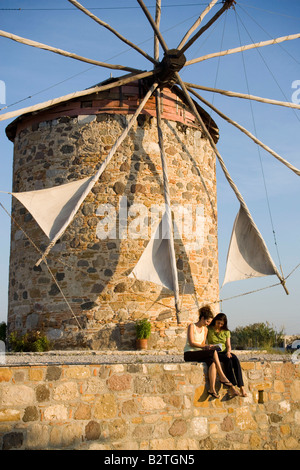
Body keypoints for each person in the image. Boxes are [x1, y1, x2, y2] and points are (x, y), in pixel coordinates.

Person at [184, 305, 239, 399]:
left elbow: (202, 344)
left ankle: (212, 389)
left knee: (212, 363)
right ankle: (222, 376)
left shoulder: (205, 329)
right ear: (202, 318)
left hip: (199, 353)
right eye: (207, 321)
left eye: (209, 322)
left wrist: (208, 347)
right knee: (213, 352)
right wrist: (207, 346)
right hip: (189, 353)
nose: (208, 324)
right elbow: (192, 343)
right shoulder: (191, 326)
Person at [207, 313, 247, 397]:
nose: (220, 325)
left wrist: (229, 352)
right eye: (218, 323)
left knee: (235, 359)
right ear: (215, 321)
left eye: (222, 324)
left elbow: (228, 345)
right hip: (215, 352)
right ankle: (231, 386)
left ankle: (241, 386)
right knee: (227, 361)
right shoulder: (209, 329)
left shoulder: (226, 331)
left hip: (224, 351)